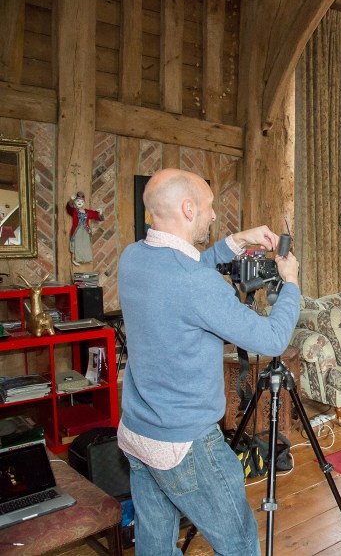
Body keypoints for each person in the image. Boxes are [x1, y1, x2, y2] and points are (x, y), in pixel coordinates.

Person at [116, 168, 301, 555]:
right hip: (185, 443)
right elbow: (272, 338)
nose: (214, 214)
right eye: (208, 206)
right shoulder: (197, 284)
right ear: (188, 208)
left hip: (137, 432)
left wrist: (238, 240)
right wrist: (291, 284)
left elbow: (185, 268)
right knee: (238, 545)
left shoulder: (134, 257)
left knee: (155, 545)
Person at [66, 191, 103, 265]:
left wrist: (100, 213)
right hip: (77, 231)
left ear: (84, 203)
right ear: (75, 202)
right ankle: (75, 259)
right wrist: (71, 200)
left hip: (85, 231)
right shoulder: (74, 211)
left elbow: (96, 216)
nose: (80, 203)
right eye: (78, 201)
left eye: (82, 201)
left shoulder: (87, 212)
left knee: (85, 245)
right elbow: (69, 208)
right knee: (76, 245)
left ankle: (86, 258)